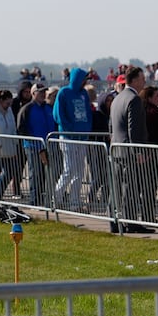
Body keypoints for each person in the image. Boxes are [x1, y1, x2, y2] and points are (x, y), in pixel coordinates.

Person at [108, 67, 154, 232]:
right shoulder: (133, 99)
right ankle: (131, 222)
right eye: (142, 78)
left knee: (117, 187)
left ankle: (114, 221)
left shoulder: (118, 98)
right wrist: (138, 151)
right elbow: (133, 128)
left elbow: (112, 126)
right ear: (134, 80)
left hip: (117, 148)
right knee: (130, 187)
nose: (144, 82)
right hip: (128, 150)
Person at [51, 67, 93, 210]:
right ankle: (56, 198)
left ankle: (75, 202)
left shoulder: (84, 94)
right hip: (68, 138)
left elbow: (88, 113)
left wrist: (86, 129)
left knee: (80, 172)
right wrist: (69, 128)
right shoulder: (64, 93)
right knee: (69, 170)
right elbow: (58, 114)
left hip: (82, 138)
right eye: (83, 79)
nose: (85, 82)